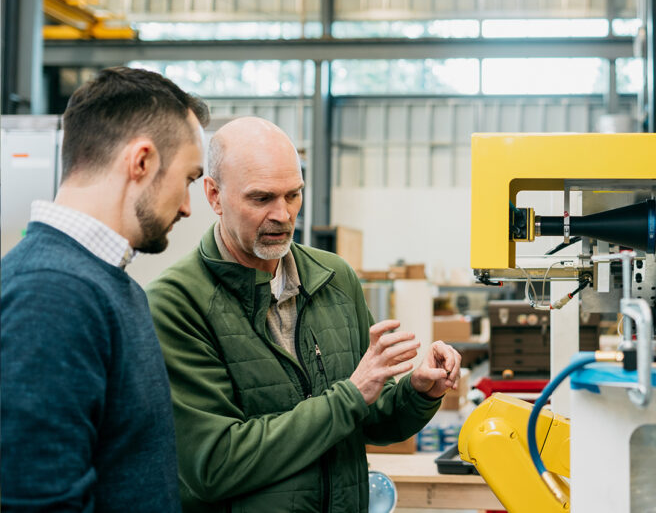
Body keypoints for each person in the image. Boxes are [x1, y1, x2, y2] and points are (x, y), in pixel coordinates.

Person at [146, 117, 461, 513]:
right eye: (261, 198)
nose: (283, 214)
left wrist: (417, 391)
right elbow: (214, 463)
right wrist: (350, 395)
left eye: (293, 195)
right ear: (213, 195)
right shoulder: (176, 303)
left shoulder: (334, 279)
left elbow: (370, 420)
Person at [0, 67, 210, 512]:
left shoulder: (107, 285)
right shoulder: (52, 294)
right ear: (142, 162)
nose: (189, 207)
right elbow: (36, 501)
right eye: (189, 179)